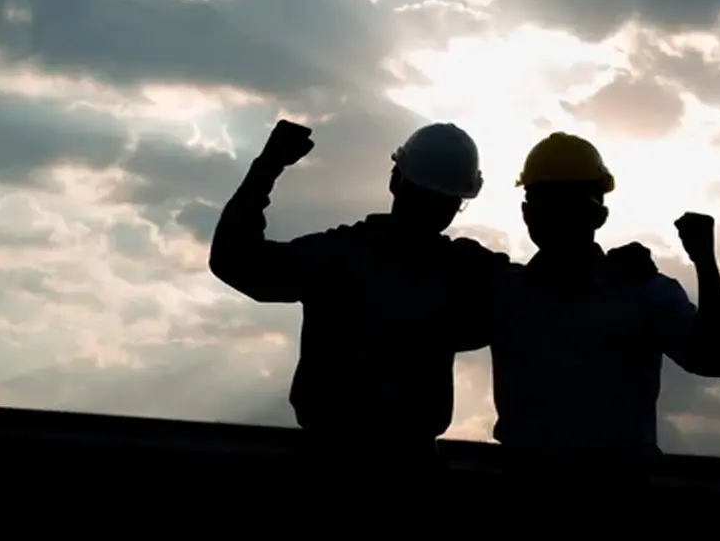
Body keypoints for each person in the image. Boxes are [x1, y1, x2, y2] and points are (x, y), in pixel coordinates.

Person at [208, 119, 509, 475]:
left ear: (396, 181)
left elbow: (235, 260)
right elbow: (535, 298)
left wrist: (268, 165)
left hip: (328, 461)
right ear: (456, 203)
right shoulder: (467, 274)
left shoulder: (337, 257)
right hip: (411, 466)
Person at [489, 132, 720, 489]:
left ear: (527, 215)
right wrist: (704, 261)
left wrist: (705, 262)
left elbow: (717, 359)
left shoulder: (500, 290)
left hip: (560, 492)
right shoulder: (643, 293)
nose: (556, 217)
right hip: (605, 496)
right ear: (600, 214)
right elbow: (717, 358)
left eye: (565, 206)